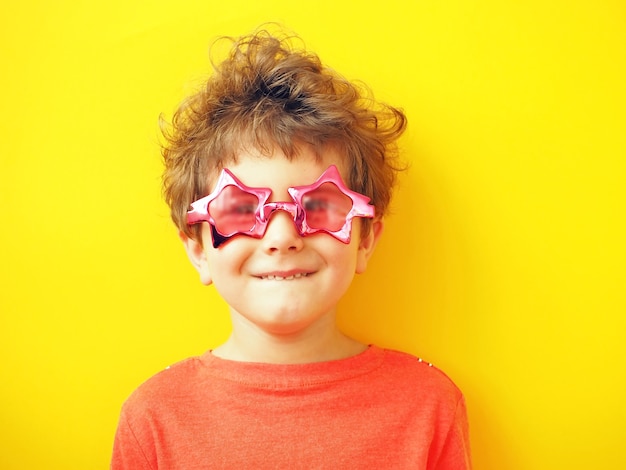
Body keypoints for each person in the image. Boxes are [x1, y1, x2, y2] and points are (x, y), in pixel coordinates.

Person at [111, 27, 471, 469]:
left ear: (366, 239)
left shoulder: (428, 406)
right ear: (198, 248)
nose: (282, 238)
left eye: (319, 205)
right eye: (241, 209)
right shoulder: (152, 419)